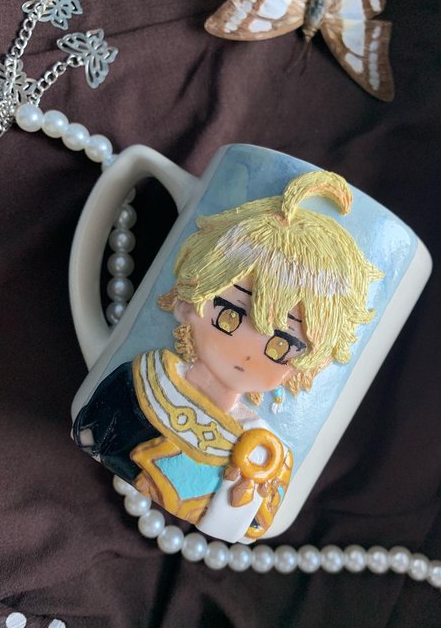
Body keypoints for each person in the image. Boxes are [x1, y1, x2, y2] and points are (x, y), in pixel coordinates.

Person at [73, 170, 382, 542]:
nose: (247, 351)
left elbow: (254, 525)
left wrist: (237, 500)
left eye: (281, 344)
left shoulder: (266, 454)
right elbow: (92, 433)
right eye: (231, 315)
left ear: (308, 365)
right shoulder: (140, 381)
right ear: (190, 300)